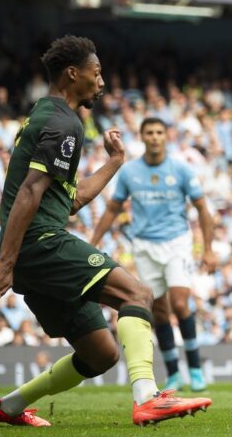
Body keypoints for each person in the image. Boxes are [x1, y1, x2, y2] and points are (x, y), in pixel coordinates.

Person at [0, 35, 211, 427]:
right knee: (138, 293)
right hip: (38, 243)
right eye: (96, 73)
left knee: (101, 354)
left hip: (30, 248)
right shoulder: (63, 123)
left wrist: (115, 162)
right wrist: (8, 261)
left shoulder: (47, 114)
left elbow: (70, 200)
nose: (102, 81)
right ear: (73, 74)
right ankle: (147, 398)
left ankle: (7, 406)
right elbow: (29, 191)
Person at [91, 116, 216, 392]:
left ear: (166, 136)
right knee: (158, 309)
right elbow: (113, 209)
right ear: (142, 136)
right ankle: (173, 372)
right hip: (144, 246)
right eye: (150, 132)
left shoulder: (182, 170)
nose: (155, 137)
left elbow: (203, 208)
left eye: (160, 132)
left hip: (176, 242)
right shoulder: (129, 172)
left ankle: (195, 368)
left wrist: (208, 249)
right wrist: (93, 241)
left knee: (180, 304)